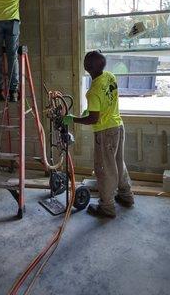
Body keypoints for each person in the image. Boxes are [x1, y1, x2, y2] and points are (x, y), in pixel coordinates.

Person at [63, 50, 134, 218]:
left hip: (105, 132)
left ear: (87, 68)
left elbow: (93, 119)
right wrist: (92, 110)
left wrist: (73, 119)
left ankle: (107, 207)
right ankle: (126, 196)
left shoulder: (93, 91)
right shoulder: (110, 76)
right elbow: (107, 100)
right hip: (118, 126)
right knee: (118, 163)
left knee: (104, 169)